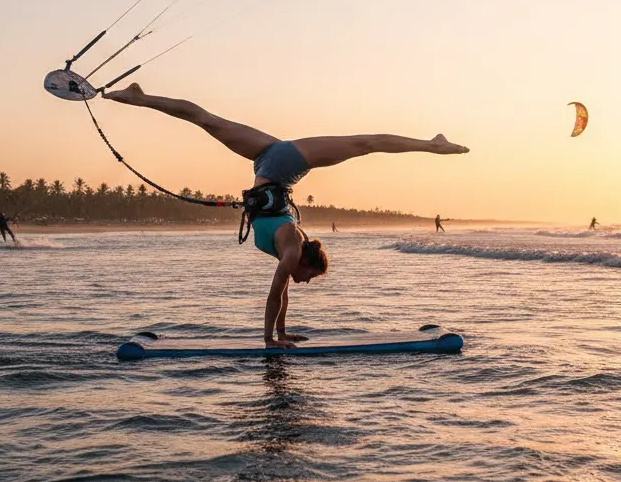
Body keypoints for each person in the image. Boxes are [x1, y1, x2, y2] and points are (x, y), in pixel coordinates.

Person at [105, 83, 468, 348]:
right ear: (306, 262)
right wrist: (269, 340)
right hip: (284, 164)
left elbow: (283, 293)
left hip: (267, 159)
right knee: (364, 144)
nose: (306, 282)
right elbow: (275, 293)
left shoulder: (291, 249)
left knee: (206, 120)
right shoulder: (293, 245)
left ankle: (140, 98)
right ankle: (431, 145)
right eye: (311, 277)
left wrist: (281, 333)